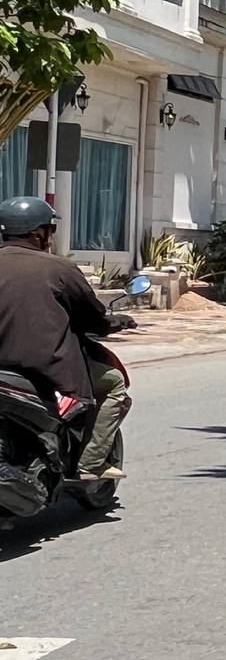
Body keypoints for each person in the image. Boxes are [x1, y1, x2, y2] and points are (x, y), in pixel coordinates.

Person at [0, 196, 134, 481]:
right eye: (50, 230)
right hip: (41, 366)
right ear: (38, 232)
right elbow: (92, 317)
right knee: (113, 383)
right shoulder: (59, 269)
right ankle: (91, 464)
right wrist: (115, 322)